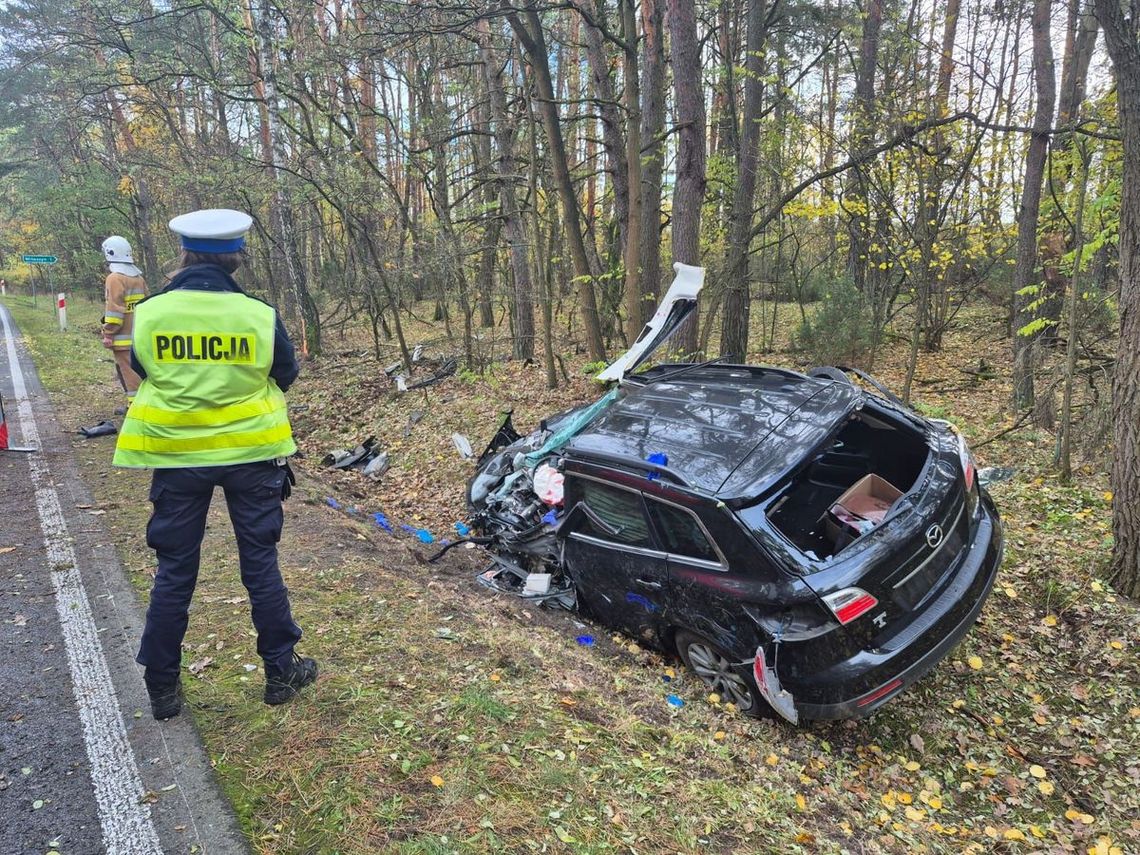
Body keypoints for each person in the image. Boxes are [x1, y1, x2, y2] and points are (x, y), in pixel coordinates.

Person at [113, 209, 316, 720]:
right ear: (236, 258)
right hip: (252, 456)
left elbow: (141, 367)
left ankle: (162, 687)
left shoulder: (152, 311)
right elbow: (285, 372)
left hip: (179, 457)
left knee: (174, 570)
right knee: (260, 562)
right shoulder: (257, 314)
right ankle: (281, 672)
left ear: (183, 253)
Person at [99, 236, 149, 411]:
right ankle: (138, 405)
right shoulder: (138, 278)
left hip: (123, 339)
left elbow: (114, 310)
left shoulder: (114, 278)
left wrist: (108, 333)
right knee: (139, 373)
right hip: (140, 335)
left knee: (129, 374)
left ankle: (135, 409)